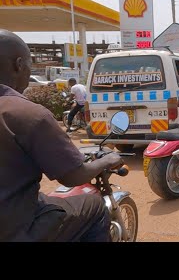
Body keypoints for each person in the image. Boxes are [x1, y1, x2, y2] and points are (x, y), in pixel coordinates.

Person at [0, 29, 124, 242]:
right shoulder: (28, 114)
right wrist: (108, 160)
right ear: (19, 64)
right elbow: (72, 176)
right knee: (93, 206)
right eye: (30, 64)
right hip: (15, 229)